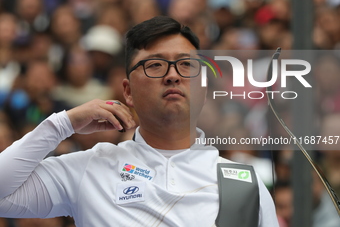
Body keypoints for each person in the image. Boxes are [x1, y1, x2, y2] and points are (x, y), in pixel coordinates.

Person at [0, 16, 279, 226]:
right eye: (155, 65)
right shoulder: (91, 167)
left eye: (186, 65)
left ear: (203, 89)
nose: (173, 75)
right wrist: (64, 123)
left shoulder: (244, 183)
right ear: (128, 91)